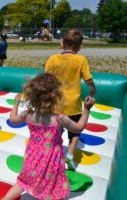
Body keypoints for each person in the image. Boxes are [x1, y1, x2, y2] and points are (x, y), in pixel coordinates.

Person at [3, 73, 95, 200]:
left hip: (32, 158)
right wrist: (87, 109)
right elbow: (79, 127)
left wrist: (16, 103)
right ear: (56, 97)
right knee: (53, 188)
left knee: (22, 182)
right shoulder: (59, 119)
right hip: (51, 162)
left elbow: (12, 120)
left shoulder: (28, 114)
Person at [45, 29, 97, 171]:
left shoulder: (53, 59)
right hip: (73, 105)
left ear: (62, 43)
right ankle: (70, 155)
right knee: (74, 134)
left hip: (55, 104)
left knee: (55, 131)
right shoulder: (80, 60)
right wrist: (93, 90)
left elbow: (46, 80)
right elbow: (88, 79)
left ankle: (49, 154)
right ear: (79, 46)